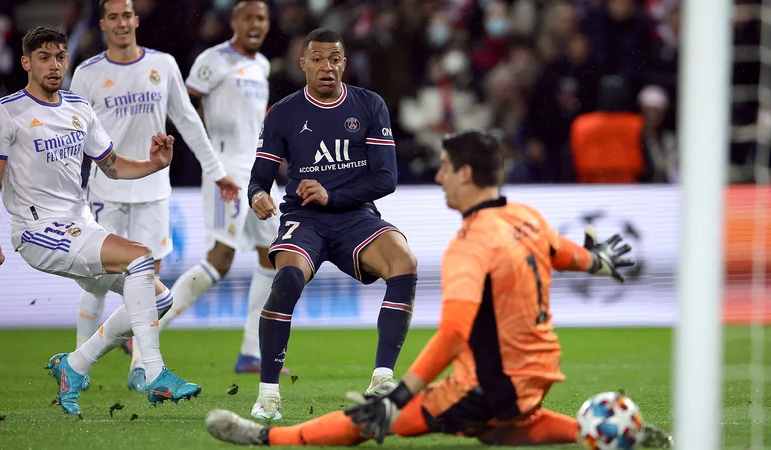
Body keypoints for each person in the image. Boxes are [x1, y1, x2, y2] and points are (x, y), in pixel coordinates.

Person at [203, 130, 673, 448]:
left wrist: (401, 395)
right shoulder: (526, 217)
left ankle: (264, 438)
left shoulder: (470, 244)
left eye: (445, 167)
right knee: (504, 428)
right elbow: (562, 252)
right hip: (539, 370)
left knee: (373, 422)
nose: (438, 176)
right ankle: (600, 432)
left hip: (491, 382)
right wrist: (598, 261)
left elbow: (451, 334)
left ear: (466, 174)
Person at [0, 26, 201, 415]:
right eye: (44, 57)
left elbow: (111, 167)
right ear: (26, 63)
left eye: (60, 56)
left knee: (160, 297)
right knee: (140, 257)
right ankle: (156, 374)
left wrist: (154, 164)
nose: (54, 64)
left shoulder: (78, 108)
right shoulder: (6, 113)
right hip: (37, 231)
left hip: (79, 224)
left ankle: (75, 365)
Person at [245, 28, 418, 420]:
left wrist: (331, 195)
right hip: (304, 218)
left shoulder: (369, 105)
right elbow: (260, 176)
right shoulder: (284, 112)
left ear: (345, 63)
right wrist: (257, 195)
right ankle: (268, 394)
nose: (327, 67)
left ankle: (382, 377)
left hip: (355, 216)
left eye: (335, 59)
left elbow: (385, 179)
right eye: (319, 59)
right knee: (287, 279)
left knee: (404, 262)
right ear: (303, 63)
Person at [68, 0, 240, 392]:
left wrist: (217, 173)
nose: (121, 23)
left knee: (150, 285)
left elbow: (188, 119)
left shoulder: (162, 65)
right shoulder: (88, 73)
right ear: (103, 24)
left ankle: (143, 367)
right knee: (95, 282)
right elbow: (70, 136)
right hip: (105, 193)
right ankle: (78, 366)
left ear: (136, 20)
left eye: (127, 15)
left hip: (154, 192)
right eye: (113, 17)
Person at [170, 0, 285, 375]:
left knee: (273, 253)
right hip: (225, 175)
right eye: (248, 17)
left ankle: (253, 351)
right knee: (221, 257)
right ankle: (143, 326)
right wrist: (210, 153)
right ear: (234, 21)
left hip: (258, 175)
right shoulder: (212, 59)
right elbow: (184, 106)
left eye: (262, 18)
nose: (255, 24)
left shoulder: (262, 65)